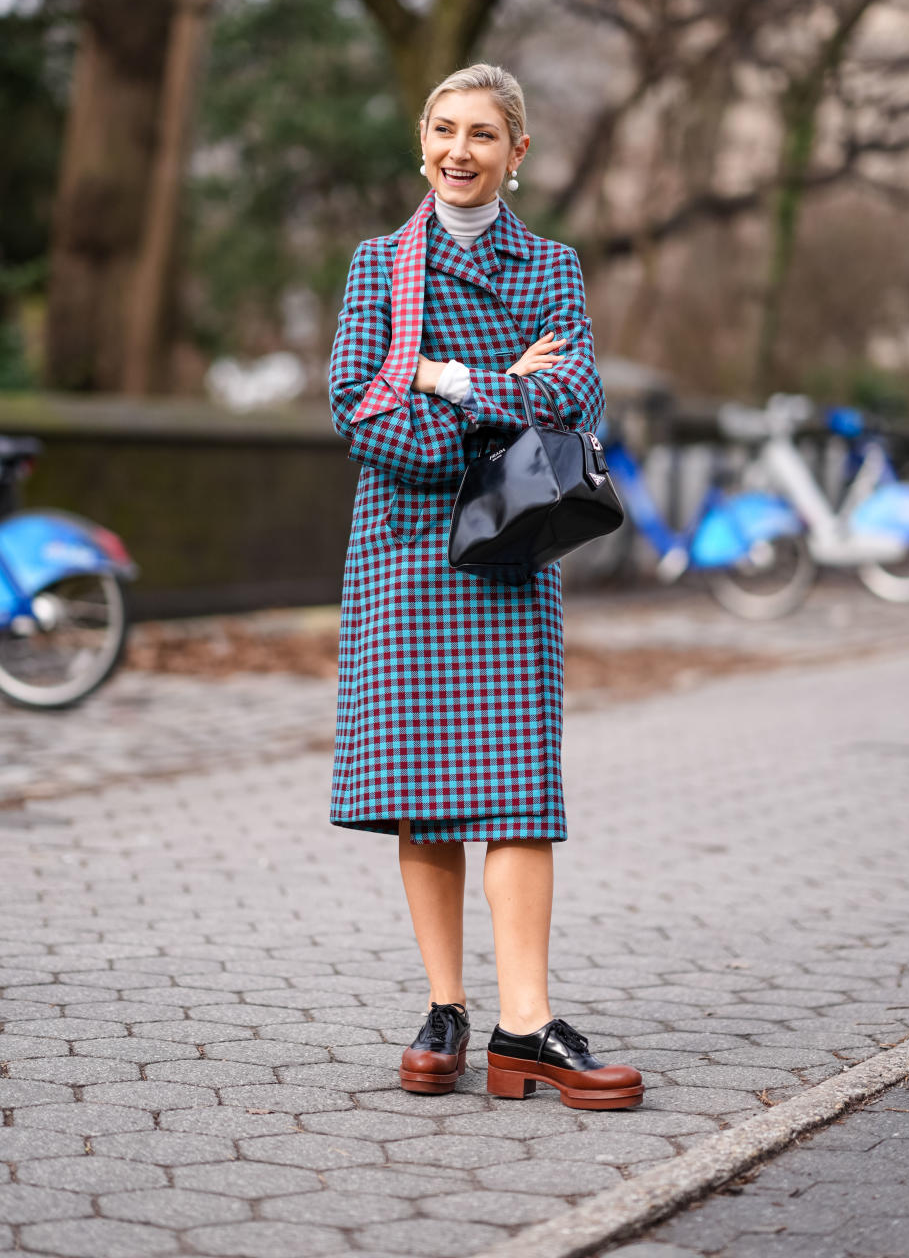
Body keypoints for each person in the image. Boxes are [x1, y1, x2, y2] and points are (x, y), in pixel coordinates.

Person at [328, 63, 643, 1112]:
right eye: (444, 129)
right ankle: (444, 1008)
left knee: (518, 793)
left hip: (510, 557)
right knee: (427, 796)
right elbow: (358, 409)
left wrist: (444, 378)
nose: (461, 150)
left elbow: (573, 395)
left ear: (518, 154)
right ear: (422, 143)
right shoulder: (380, 266)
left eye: (484, 134)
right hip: (405, 557)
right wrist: (502, 398)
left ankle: (525, 1023)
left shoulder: (551, 265)